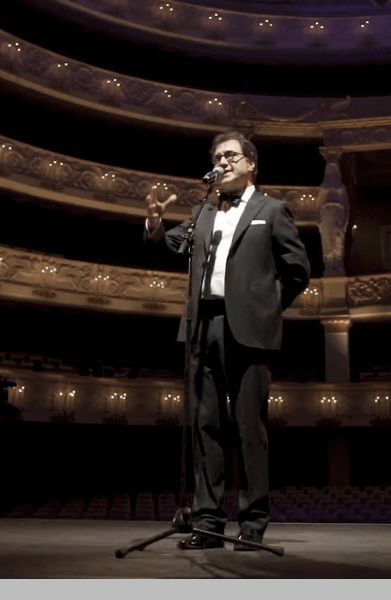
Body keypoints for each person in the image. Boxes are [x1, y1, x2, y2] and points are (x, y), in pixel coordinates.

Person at [144, 130, 310, 550]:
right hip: (203, 326)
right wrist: (155, 223)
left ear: (251, 164)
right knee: (206, 427)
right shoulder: (202, 211)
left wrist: (266, 307)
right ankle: (208, 522)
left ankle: (252, 523)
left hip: (250, 329)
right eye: (217, 157)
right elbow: (170, 243)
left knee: (249, 428)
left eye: (231, 156)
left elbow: (297, 271)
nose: (222, 162)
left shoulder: (272, 210)